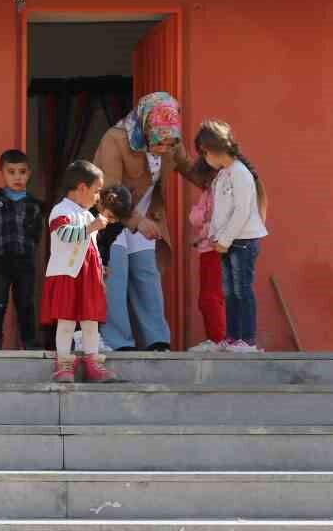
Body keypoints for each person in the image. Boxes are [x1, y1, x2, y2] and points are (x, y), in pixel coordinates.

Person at [92, 91, 201, 351]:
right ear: (144, 126)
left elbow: (191, 169)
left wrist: (225, 176)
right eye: (158, 144)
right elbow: (109, 193)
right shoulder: (115, 139)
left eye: (168, 145)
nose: (163, 150)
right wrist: (137, 221)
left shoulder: (170, 139)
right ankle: (118, 343)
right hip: (113, 217)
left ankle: (157, 341)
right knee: (114, 277)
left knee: (147, 277)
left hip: (146, 216)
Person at [41, 160, 117, 383]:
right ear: (82, 188)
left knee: (90, 321)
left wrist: (101, 267)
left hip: (88, 277)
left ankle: (93, 362)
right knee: (65, 321)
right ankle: (64, 363)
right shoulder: (61, 210)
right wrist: (91, 227)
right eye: (96, 191)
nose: (97, 197)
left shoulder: (87, 214)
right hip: (67, 276)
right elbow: (64, 235)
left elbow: (91, 246)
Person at [198, 120, 269, 352]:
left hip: (243, 242)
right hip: (228, 244)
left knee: (242, 290)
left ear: (214, 149)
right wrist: (215, 237)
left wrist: (225, 239)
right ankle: (232, 336)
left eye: (205, 152)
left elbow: (241, 211)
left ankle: (247, 340)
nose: (204, 157)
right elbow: (220, 212)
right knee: (229, 292)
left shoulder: (240, 173)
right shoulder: (223, 175)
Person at [0, 149, 46, 350]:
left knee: (25, 302)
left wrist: (30, 251)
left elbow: (37, 234)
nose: (17, 177)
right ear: (2, 172)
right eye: (11, 172)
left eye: (22, 172)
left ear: (29, 173)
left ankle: (29, 341)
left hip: (24, 261)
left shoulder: (35, 205)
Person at [186, 154, 228, 350]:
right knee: (208, 298)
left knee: (210, 297)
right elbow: (197, 217)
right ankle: (216, 338)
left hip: (215, 249)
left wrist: (204, 218)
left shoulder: (221, 191)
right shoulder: (209, 192)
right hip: (207, 249)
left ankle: (218, 340)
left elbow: (205, 218)